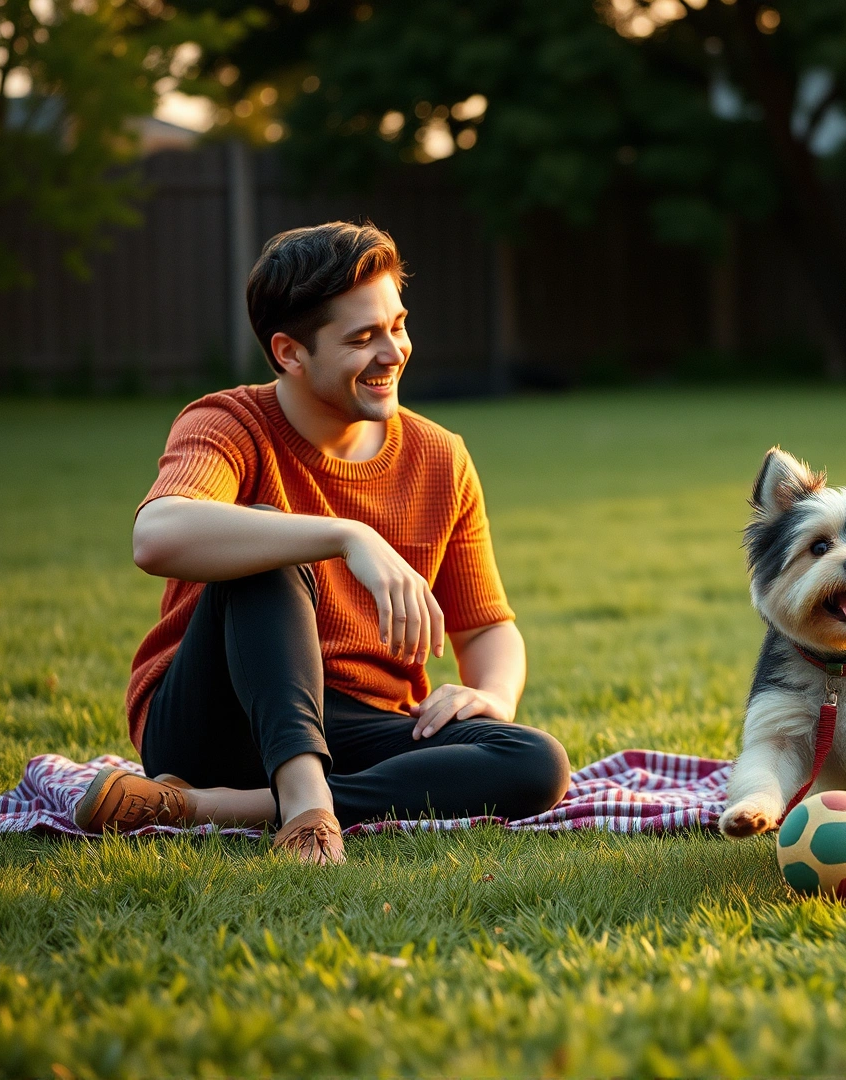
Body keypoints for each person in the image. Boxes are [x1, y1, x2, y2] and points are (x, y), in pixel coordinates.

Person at [73, 221, 570, 863]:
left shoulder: (439, 458)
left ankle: (206, 806)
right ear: (289, 352)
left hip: (354, 722)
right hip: (213, 719)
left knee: (533, 761)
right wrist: (343, 535)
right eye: (363, 338)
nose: (393, 352)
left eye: (397, 324)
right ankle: (305, 808)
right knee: (268, 543)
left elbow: (486, 628)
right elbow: (157, 534)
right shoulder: (227, 422)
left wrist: (492, 694)